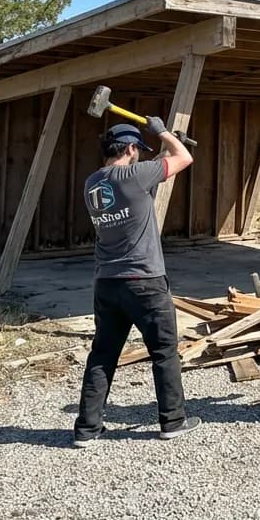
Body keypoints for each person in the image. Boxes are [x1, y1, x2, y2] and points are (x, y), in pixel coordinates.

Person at [72, 118, 198, 447]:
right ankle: (172, 421)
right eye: (137, 151)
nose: (140, 157)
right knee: (163, 352)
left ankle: (87, 428)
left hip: (107, 282)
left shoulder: (93, 183)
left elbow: (145, 175)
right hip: (145, 282)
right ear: (130, 149)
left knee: (103, 354)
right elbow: (185, 158)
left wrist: (166, 148)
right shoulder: (135, 175)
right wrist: (164, 133)